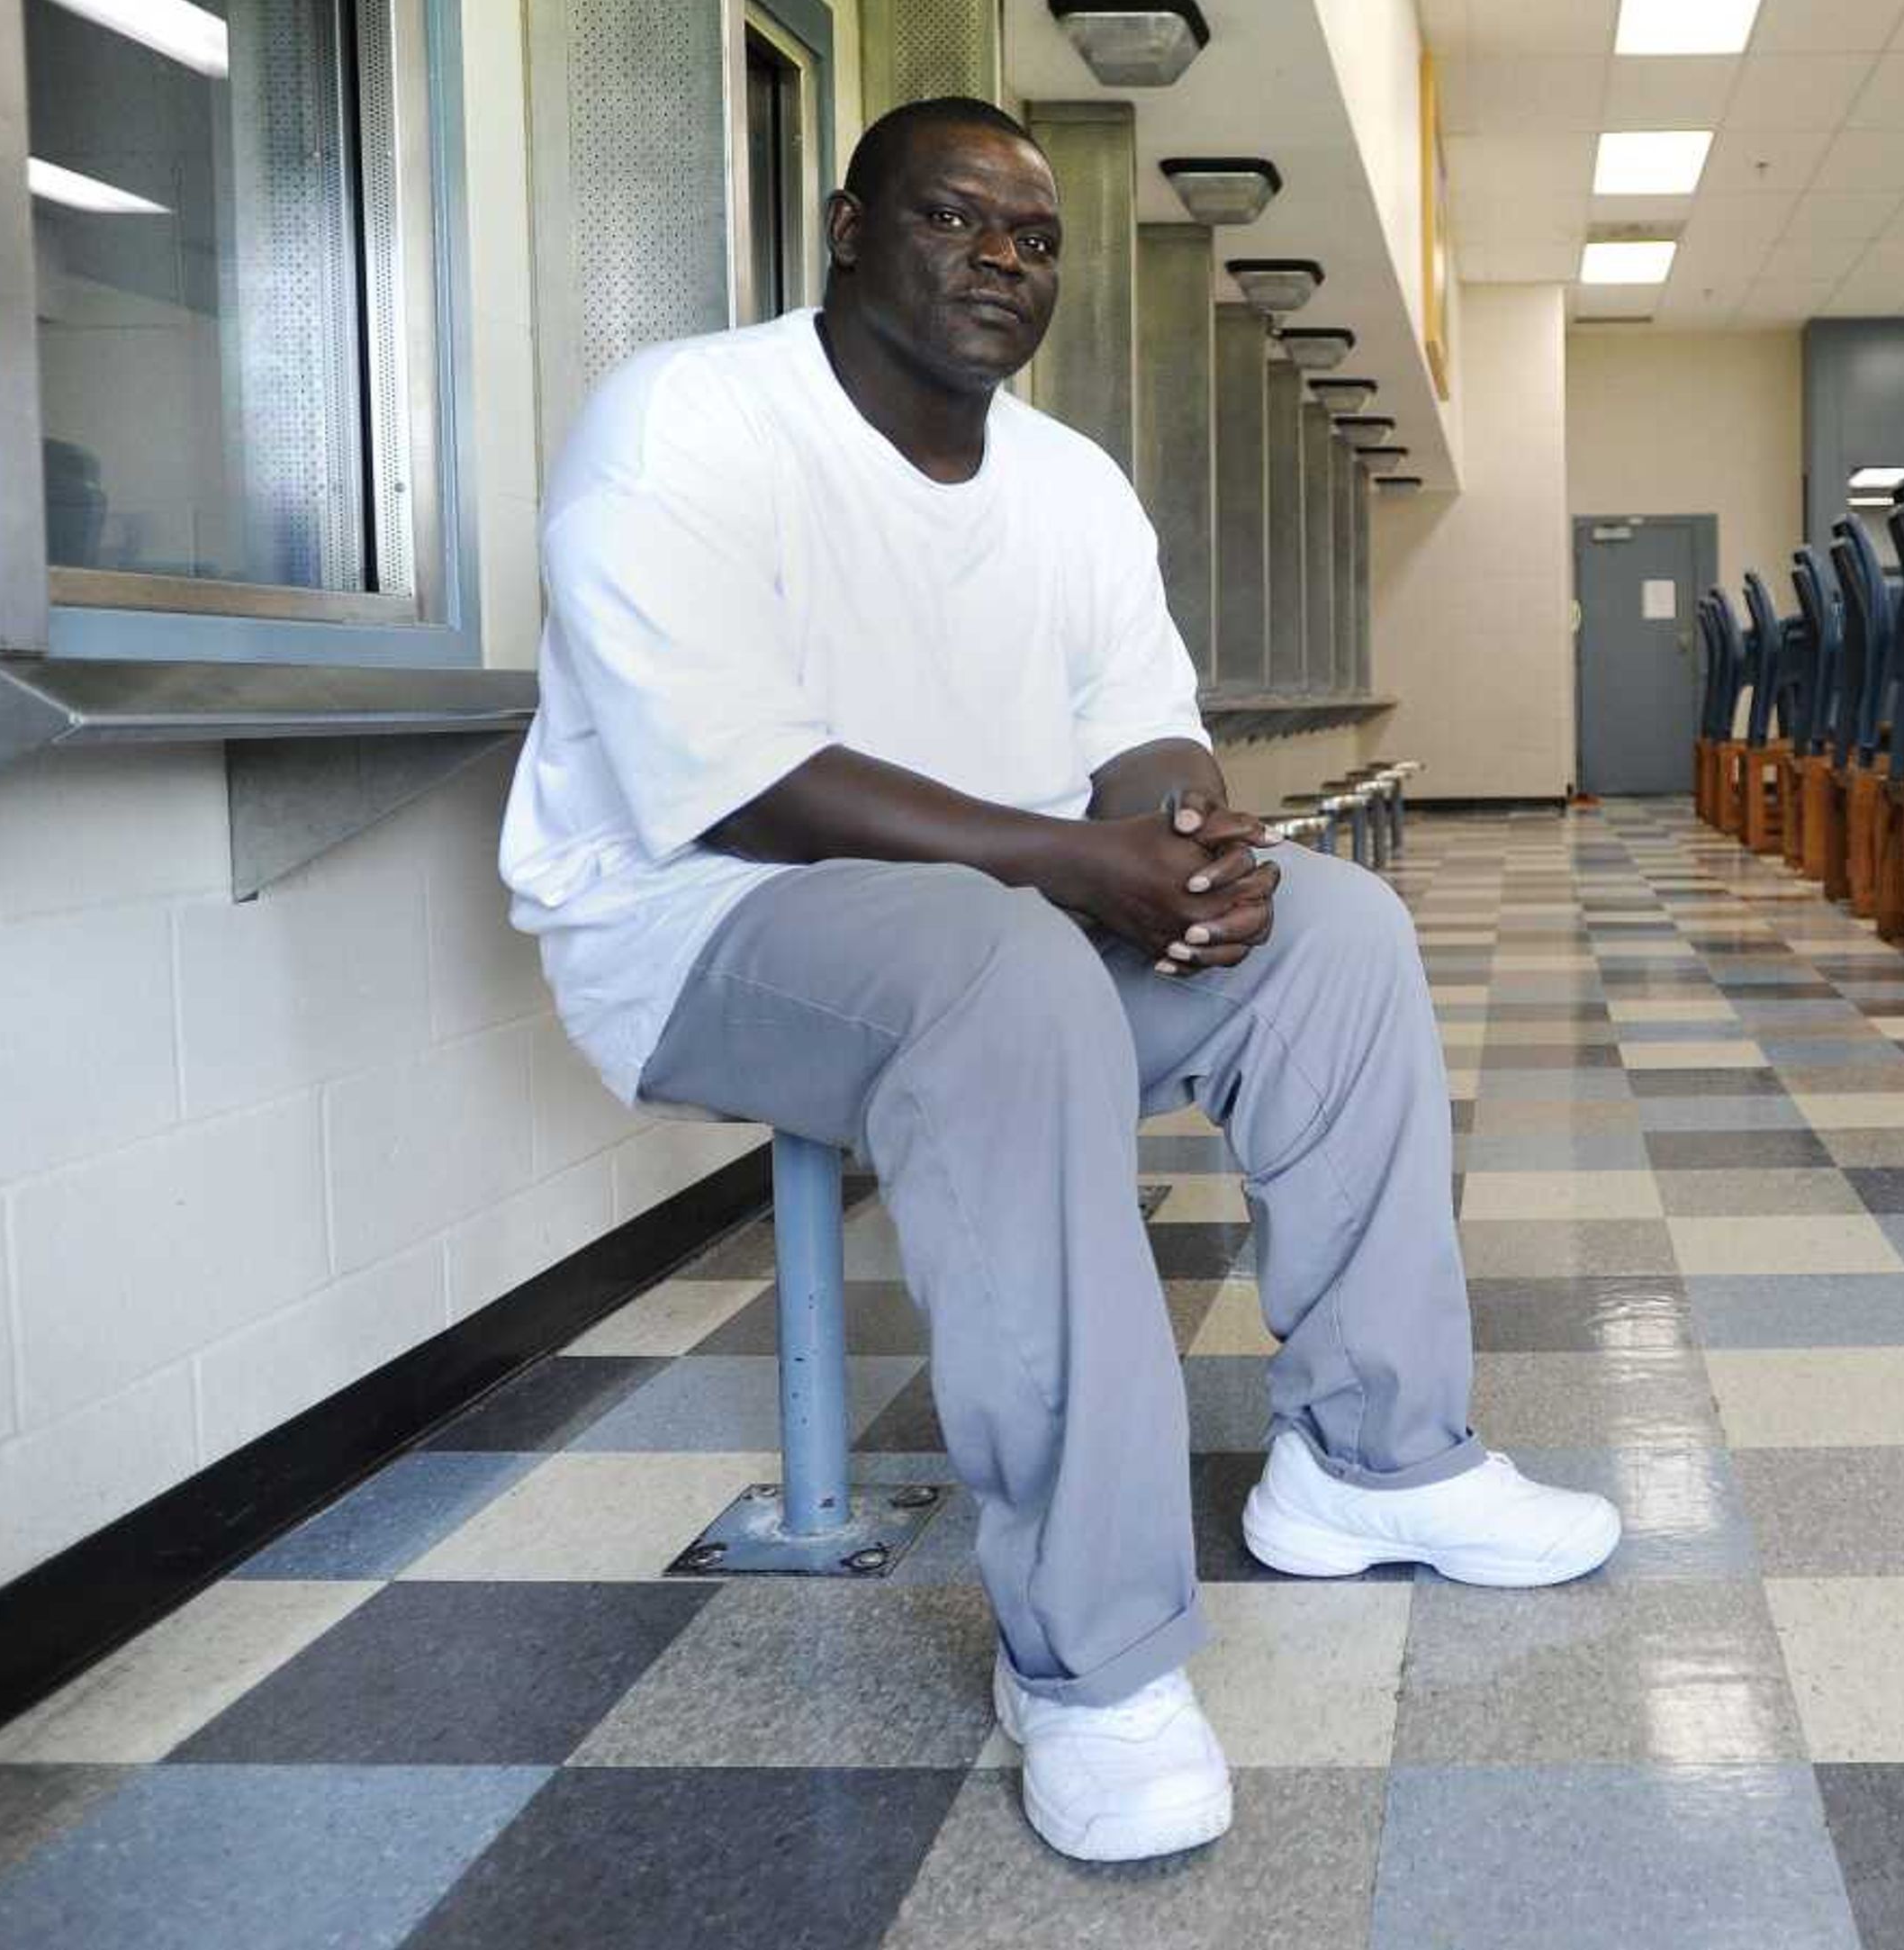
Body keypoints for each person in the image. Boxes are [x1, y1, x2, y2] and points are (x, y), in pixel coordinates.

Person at [497, 96, 1619, 1864]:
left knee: (1337, 932)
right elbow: (744, 784)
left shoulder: (1068, 480)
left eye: (1033, 238)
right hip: (695, 928)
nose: (1001, 262)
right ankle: (1094, 1662)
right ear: (852, 227)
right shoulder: (687, 421)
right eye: (956, 221)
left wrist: (1186, 849)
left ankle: (1373, 1462)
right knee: (1005, 965)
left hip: (1000, 923)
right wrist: (1075, 868)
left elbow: (1137, 727)